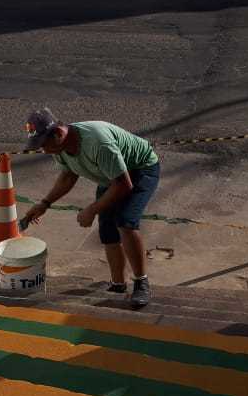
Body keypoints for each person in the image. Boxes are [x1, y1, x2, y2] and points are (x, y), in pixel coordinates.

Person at [23, 109, 160, 308]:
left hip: (140, 169)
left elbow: (123, 184)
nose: (43, 150)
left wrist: (91, 210)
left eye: (44, 144)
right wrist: (44, 204)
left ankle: (141, 283)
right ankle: (118, 284)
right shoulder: (60, 148)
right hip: (111, 175)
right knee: (107, 230)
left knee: (125, 221)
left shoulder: (97, 143)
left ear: (58, 133)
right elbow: (68, 176)